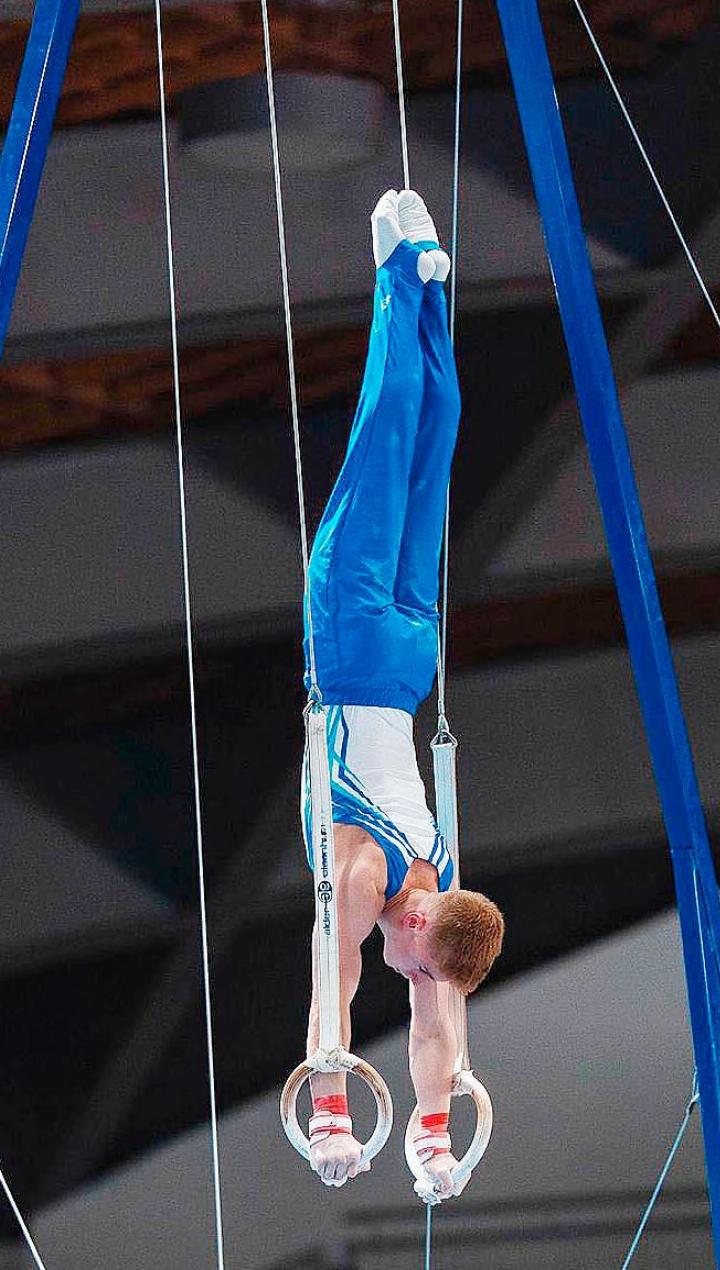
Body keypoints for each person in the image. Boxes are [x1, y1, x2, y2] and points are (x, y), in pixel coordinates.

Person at [302, 190, 505, 1198]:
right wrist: (337, 1117)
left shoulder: (423, 895)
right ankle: (405, 280)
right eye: (425, 969)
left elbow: (427, 1030)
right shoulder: (383, 883)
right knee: (407, 444)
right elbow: (339, 991)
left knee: (418, 444)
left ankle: (415, 281)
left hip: (379, 654)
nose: (422, 991)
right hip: (374, 648)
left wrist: (426, 1140)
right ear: (428, 922)